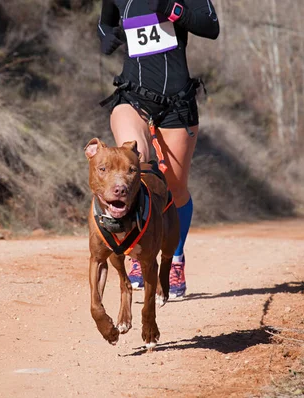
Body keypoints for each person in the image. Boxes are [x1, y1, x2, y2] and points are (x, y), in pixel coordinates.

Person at [97, 0, 219, 298]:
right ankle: (138, 250)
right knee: (138, 166)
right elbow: (104, 24)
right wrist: (107, 38)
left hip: (177, 103)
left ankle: (174, 257)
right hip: (133, 97)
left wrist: (171, 8)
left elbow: (210, 27)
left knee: (174, 188)